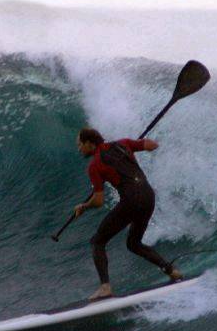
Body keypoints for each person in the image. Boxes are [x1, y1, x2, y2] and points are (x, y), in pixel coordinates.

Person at [74, 127, 182, 300]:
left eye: (80, 144)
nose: (79, 149)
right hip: (148, 196)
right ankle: (172, 271)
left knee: (97, 241)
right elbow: (153, 145)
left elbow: (98, 201)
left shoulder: (95, 165)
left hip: (131, 200)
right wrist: (132, 149)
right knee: (134, 244)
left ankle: (105, 287)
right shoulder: (123, 144)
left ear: (89, 143)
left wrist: (84, 206)